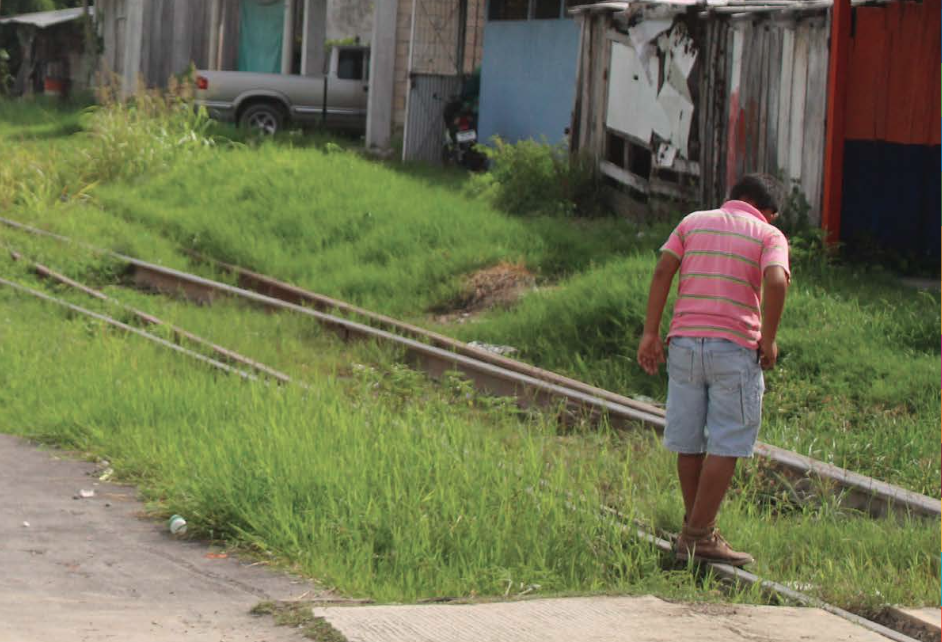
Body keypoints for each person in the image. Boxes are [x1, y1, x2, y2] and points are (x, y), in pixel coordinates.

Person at [636, 174, 791, 567]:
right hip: (734, 349)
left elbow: (661, 272)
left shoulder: (692, 221)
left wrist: (650, 332)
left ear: (732, 197)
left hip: (685, 344)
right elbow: (776, 280)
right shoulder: (768, 235)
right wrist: (768, 338)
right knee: (726, 442)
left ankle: (699, 529)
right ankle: (696, 536)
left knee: (689, 442)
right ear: (768, 211)